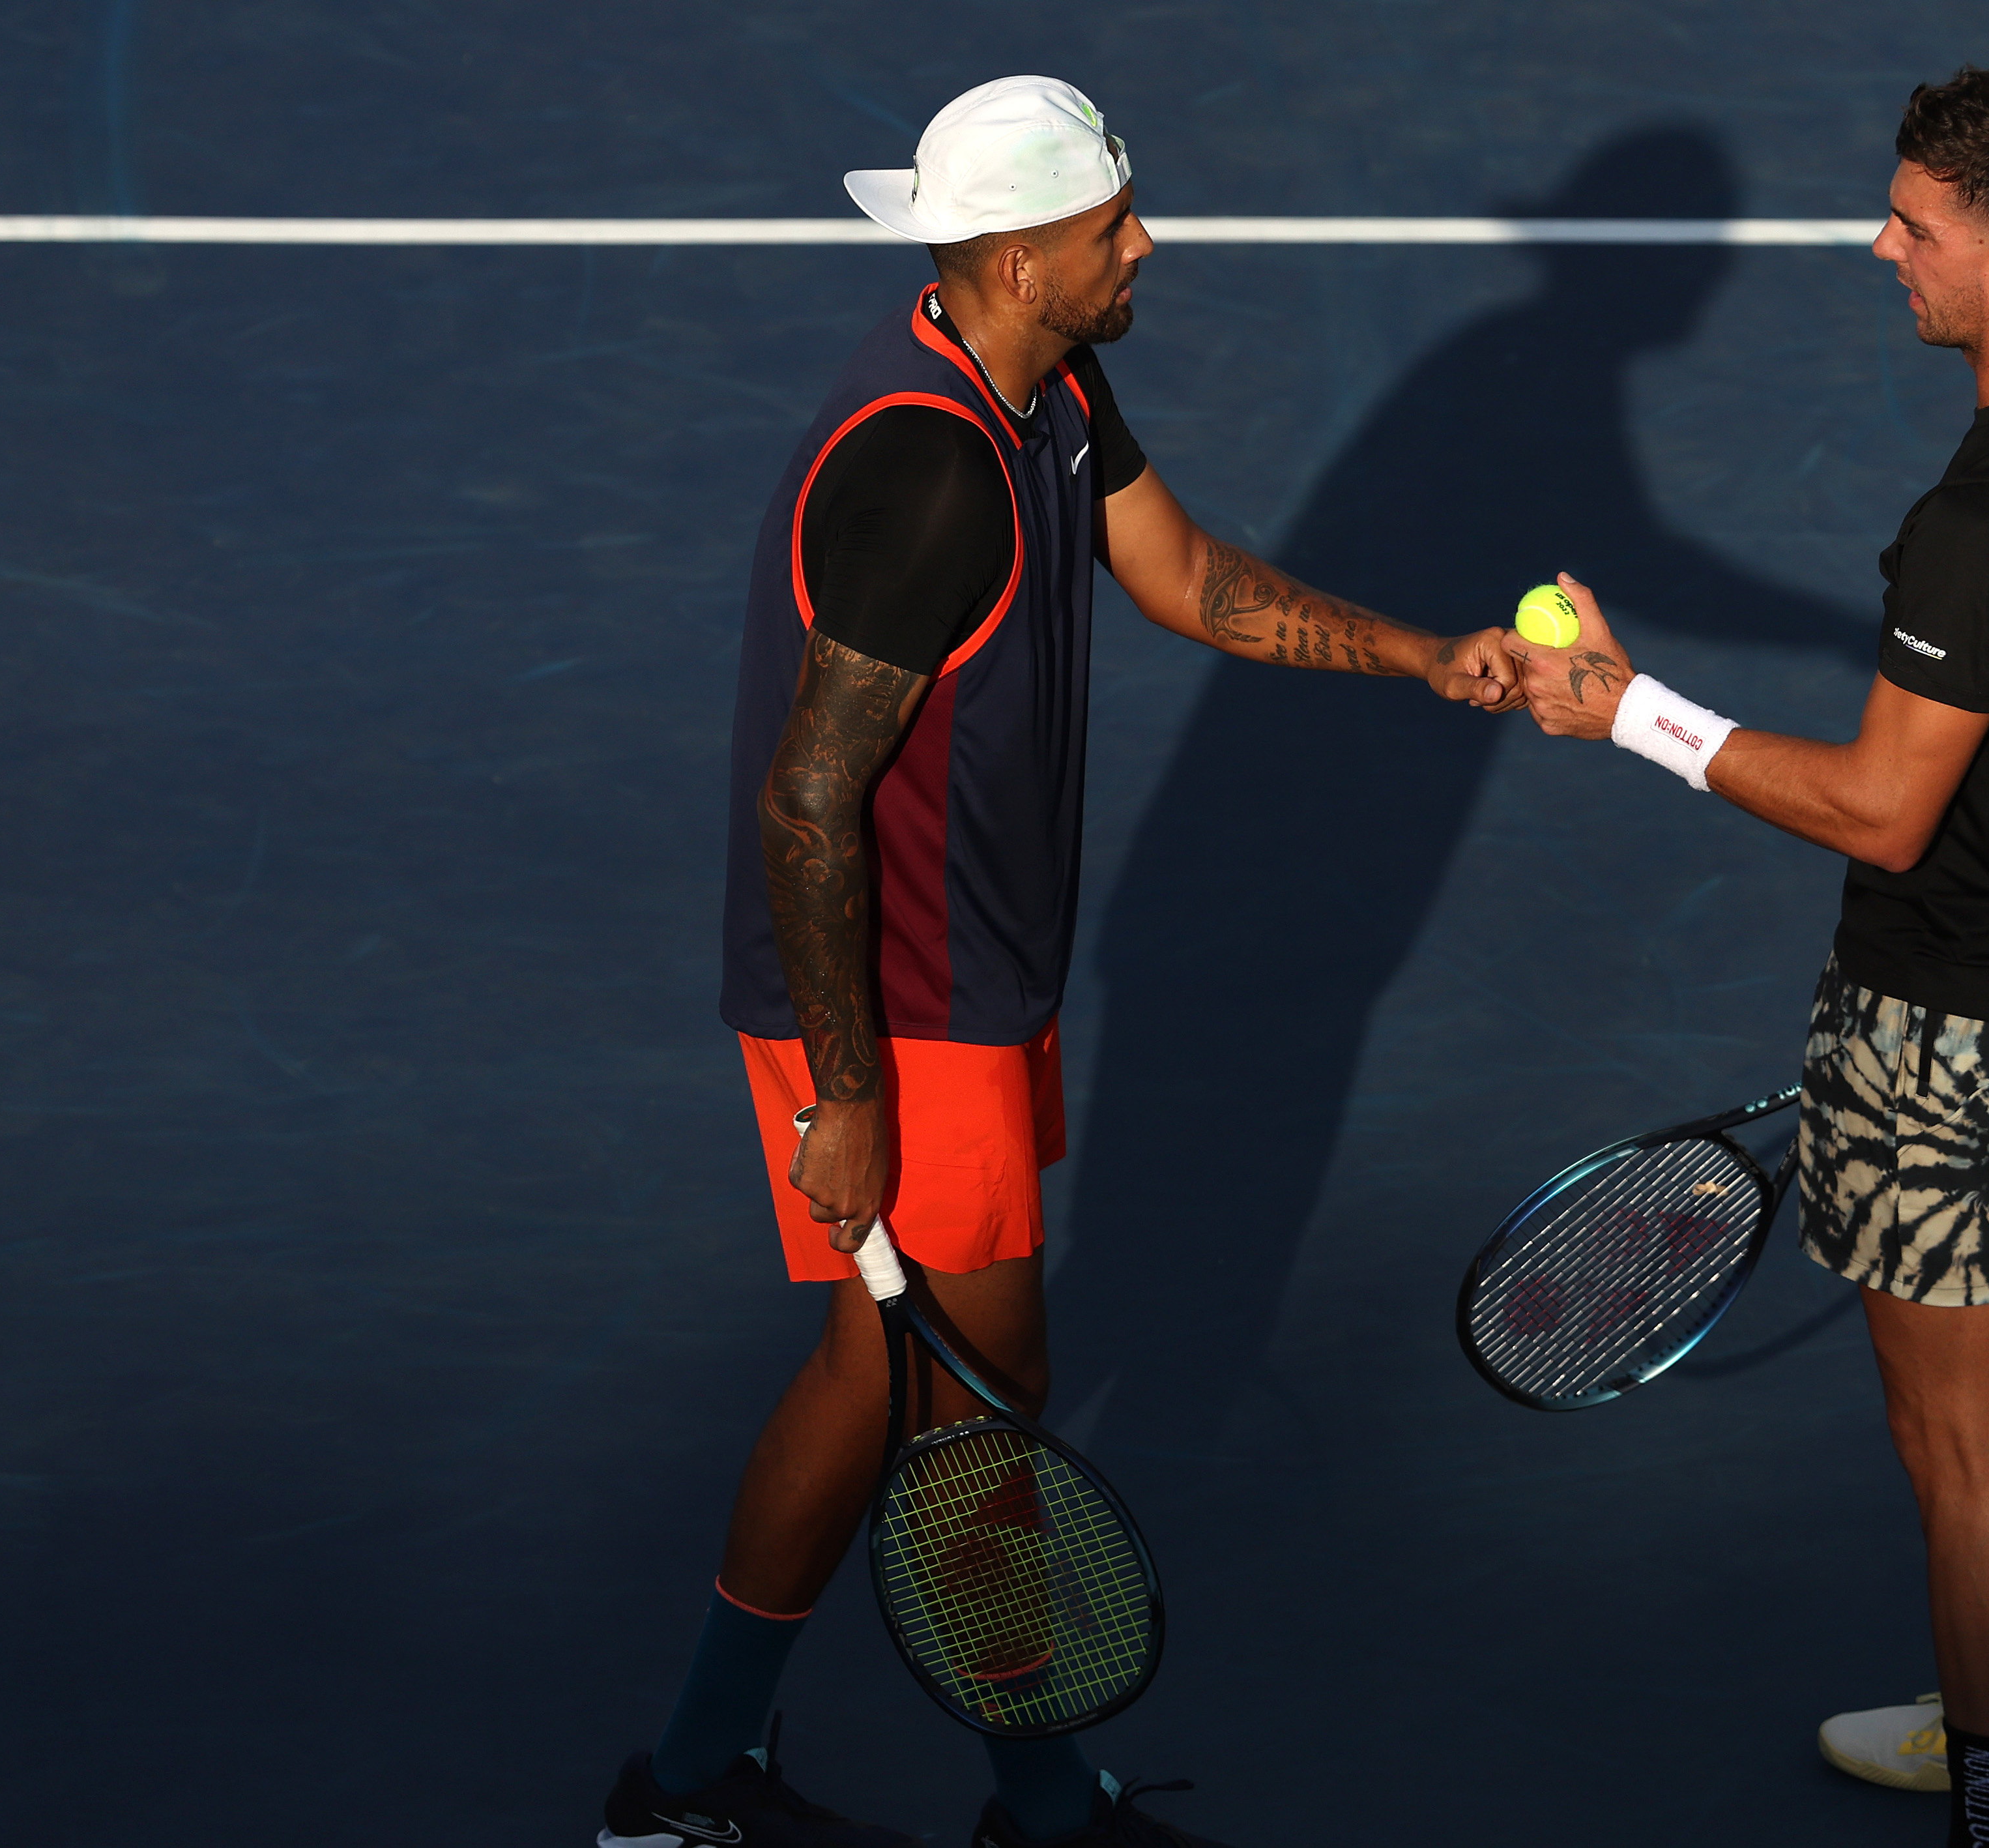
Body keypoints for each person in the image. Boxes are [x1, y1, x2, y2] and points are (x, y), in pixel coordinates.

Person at [600, 76, 1515, 1848]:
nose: (1143, 239)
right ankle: (969, 1798)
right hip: (896, 1009)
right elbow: (807, 807)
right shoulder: (930, 472)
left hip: (969, 983)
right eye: (1112, 224)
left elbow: (1184, 576)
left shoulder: (1046, 379)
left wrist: (1427, 658)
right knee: (959, 1411)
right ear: (1021, 256)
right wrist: (852, 1094)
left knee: (907, 1394)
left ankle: (702, 1783)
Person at [1502, 65, 1989, 1848]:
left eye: (1916, 225)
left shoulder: (1978, 539)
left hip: (1945, 1025)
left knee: (1955, 1445)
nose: (1879, 245)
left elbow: (1885, 809)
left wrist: (1626, 710)